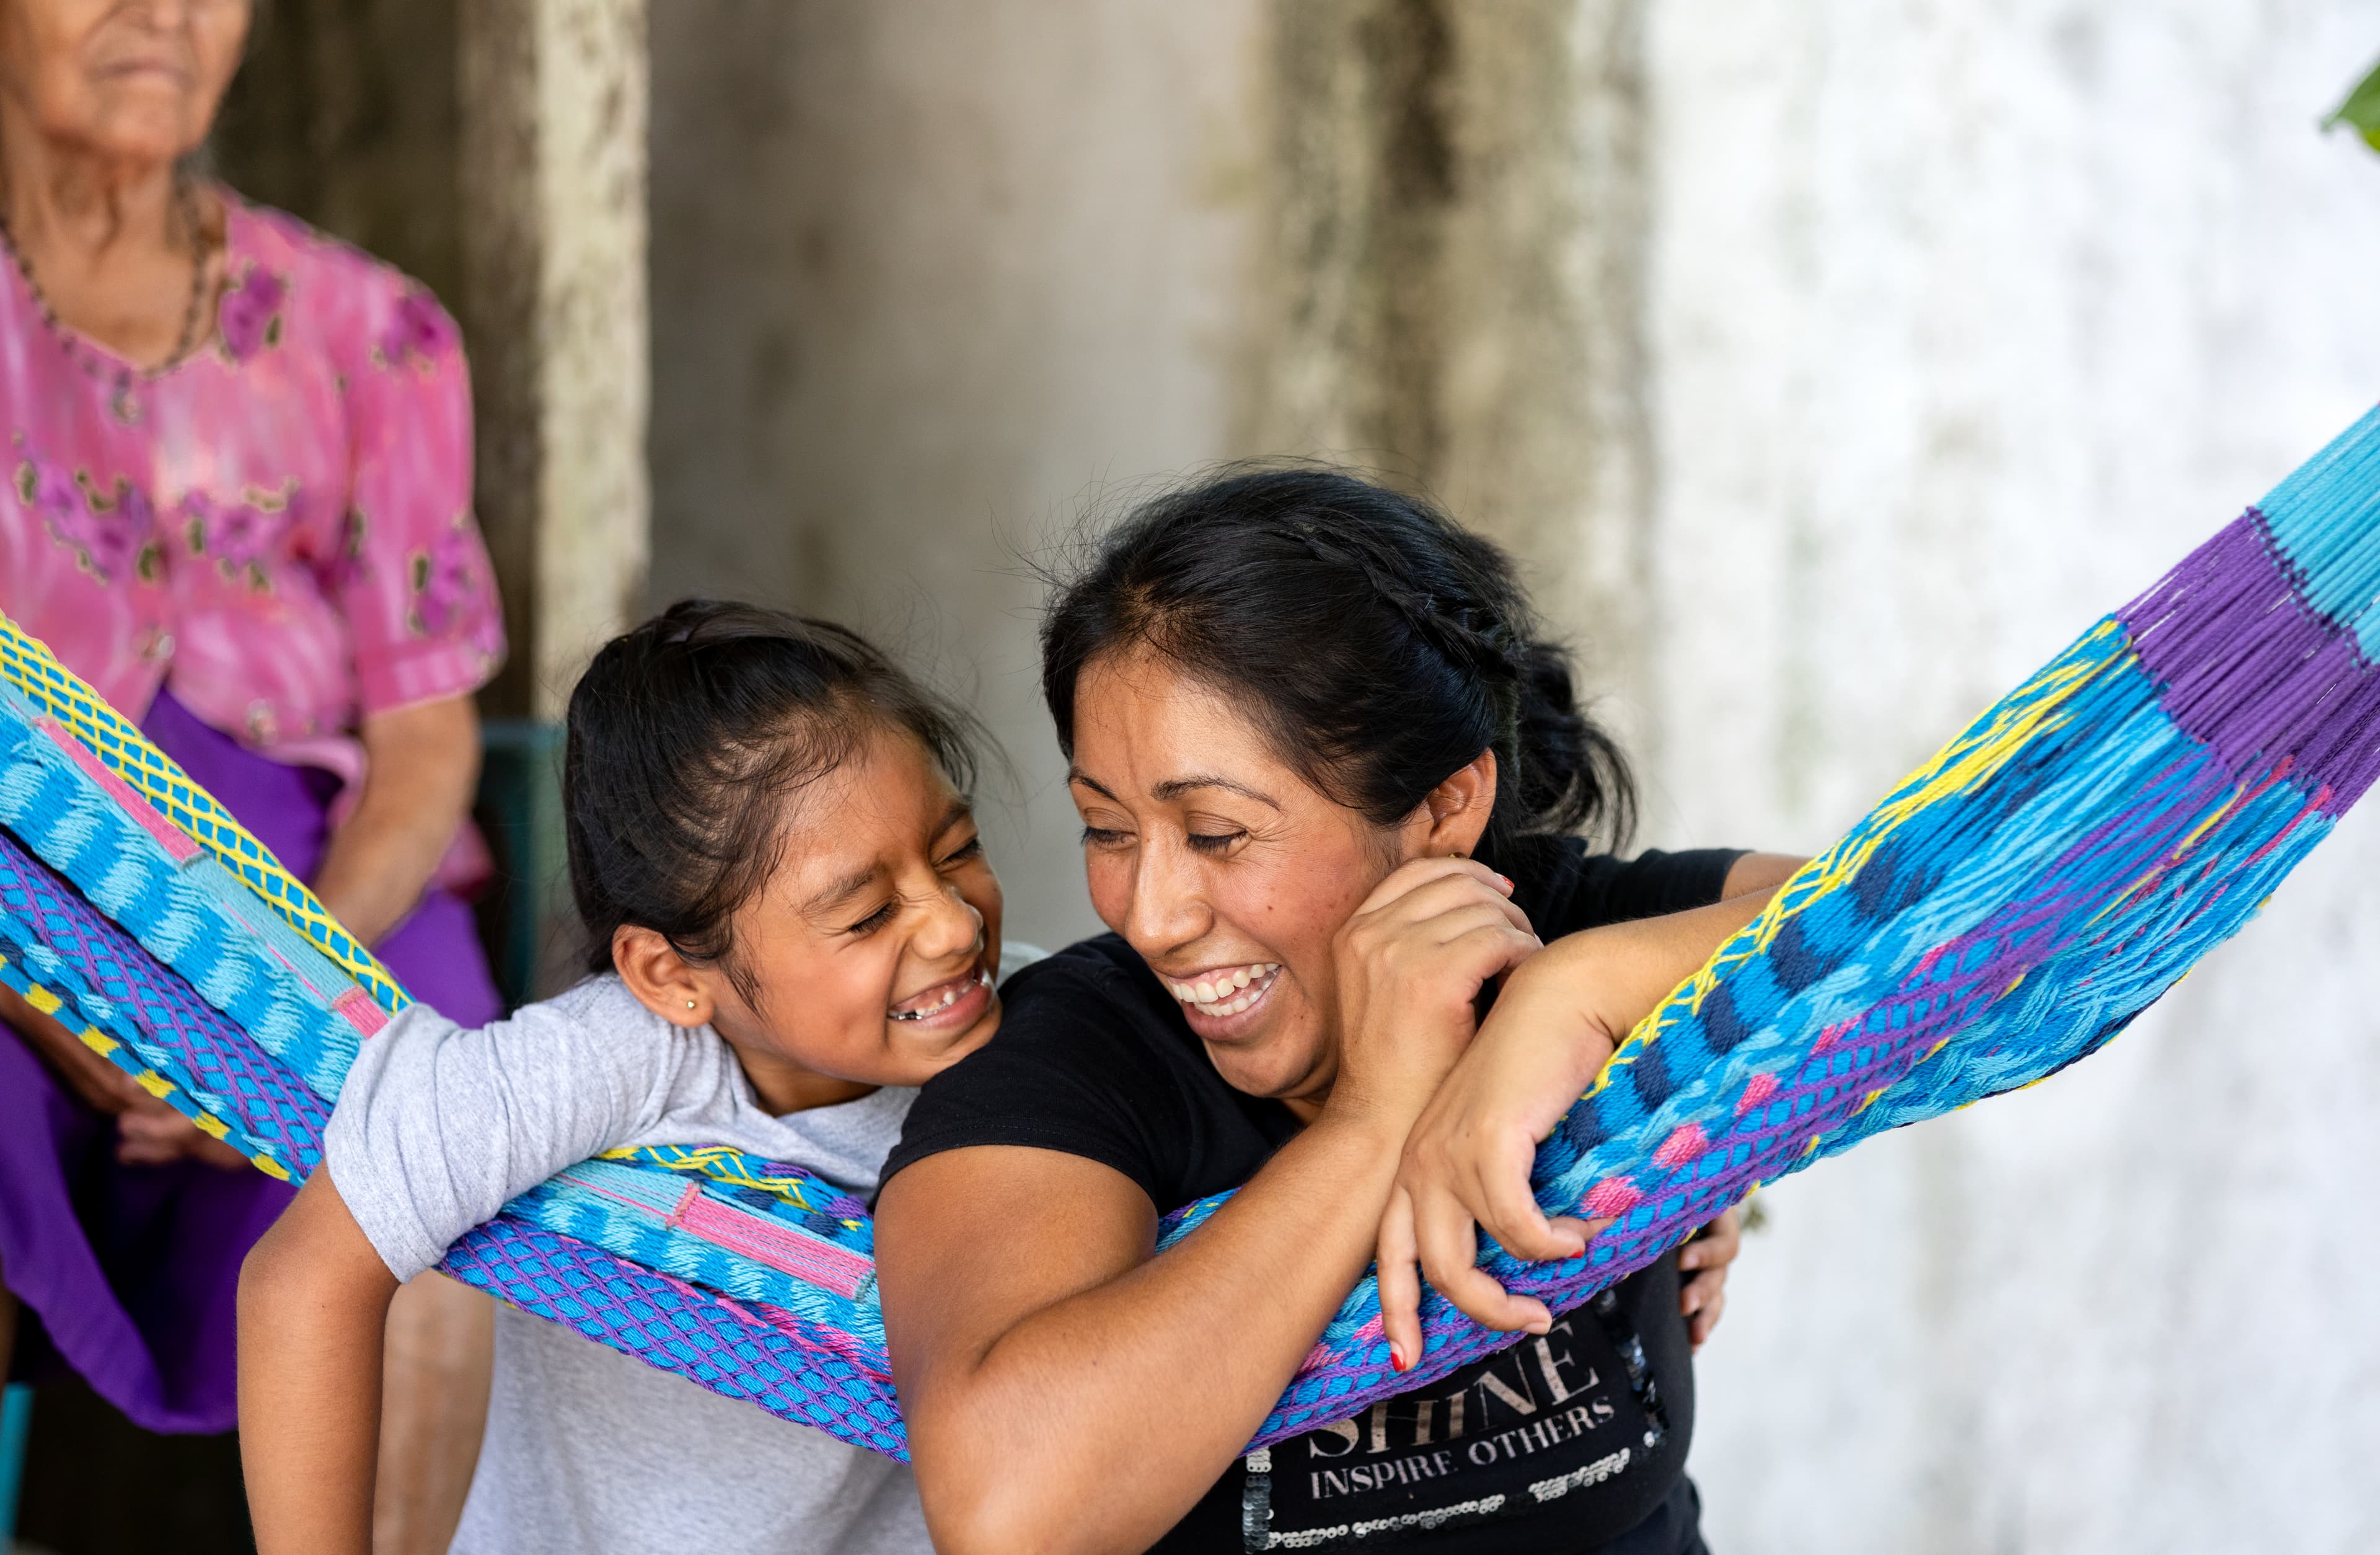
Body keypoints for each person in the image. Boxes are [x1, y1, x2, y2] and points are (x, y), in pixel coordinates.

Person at [876, 468, 1794, 1554]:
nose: (1154, 915)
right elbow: (1007, 1510)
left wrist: (1581, 996)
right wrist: (1379, 1116)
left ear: (1447, 805)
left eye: (1216, 833)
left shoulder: (1573, 929)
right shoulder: (1083, 1061)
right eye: (1107, 829)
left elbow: (1992, 914)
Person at [0, 0, 503, 1539]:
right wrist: (63, 994)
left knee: (448, 1164)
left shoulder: (369, 329)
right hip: (20, 898)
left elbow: (427, 738)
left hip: (314, 906)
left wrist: (265, 1006)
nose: (160, 13)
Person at [239, 603, 1014, 1555]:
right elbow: (304, 1277)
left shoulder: (1045, 1042)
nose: (952, 926)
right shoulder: (615, 1060)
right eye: (864, 915)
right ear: (670, 975)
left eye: (957, 852)